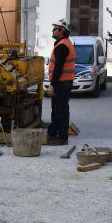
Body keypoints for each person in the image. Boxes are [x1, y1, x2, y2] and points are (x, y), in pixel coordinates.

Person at [47, 18, 76, 146]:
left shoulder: (62, 45)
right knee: (57, 109)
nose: (52, 31)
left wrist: (52, 84)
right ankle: (53, 133)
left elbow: (58, 67)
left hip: (61, 83)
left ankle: (62, 137)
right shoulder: (63, 43)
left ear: (62, 30)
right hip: (63, 82)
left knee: (60, 110)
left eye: (55, 29)